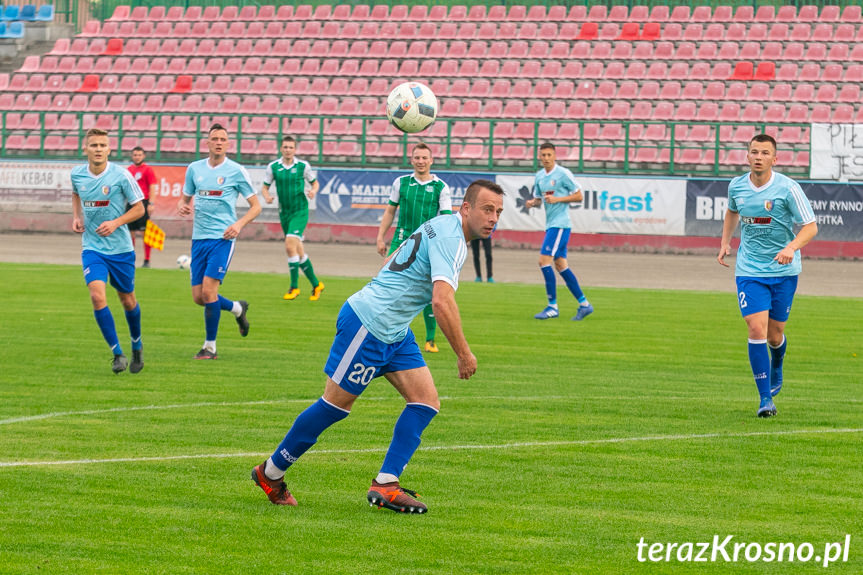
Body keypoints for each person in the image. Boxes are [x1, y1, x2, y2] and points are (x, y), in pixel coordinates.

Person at [252, 180, 504, 514]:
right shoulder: (452, 239)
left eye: (499, 212)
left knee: (426, 401)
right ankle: (270, 473)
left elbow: (396, 261)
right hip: (369, 325)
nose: (493, 218)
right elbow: (442, 302)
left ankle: (386, 484)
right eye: (488, 209)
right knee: (334, 406)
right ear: (466, 208)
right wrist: (464, 353)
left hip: (394, 330)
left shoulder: (440, 225)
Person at [717, 134, 818, 418]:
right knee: (756, 329)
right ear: (747, 156)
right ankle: (765, 400)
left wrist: (791, 247)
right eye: (754, 152)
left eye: (764, 153)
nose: (758, 156)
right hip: (750, 269)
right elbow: (731, 212)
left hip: (784, 271)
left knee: (775, 335)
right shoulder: (736, 185)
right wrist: (725, 241)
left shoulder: (788, 188)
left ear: (775, 159)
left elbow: (810, 227)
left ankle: (777, 362)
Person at [177, 123, 262, 360]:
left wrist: (238, 225)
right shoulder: (194, 169)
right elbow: (184, 198)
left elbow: (256, 207)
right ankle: (237, 308)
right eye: (214, 138)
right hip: (199, 239)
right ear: (207, 142)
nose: (218, 142)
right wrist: (182, 206)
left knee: (209, 291)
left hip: (222, 238)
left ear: (228, 143)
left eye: (222, 139)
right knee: (199, 297)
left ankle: (210, 348)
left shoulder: (236, 170)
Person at [71, 128, 146, 374]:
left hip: (121, 249)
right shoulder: (77, 174)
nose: (99, 149)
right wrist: (77, 216)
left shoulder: (121, 176)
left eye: (103, 145)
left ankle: (136, 345)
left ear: (109, 149)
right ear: (86, 149)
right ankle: (117, 354)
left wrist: (115, 223)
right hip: (93, 248)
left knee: (127, 300)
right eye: (94, 145)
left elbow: (139, 209)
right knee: (97, 296)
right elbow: (76, 193)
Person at [376, 143, 452, 353]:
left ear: (431, 160)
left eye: (424, 158)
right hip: (400, 241)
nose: (420, 161)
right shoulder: (400, 183)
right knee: (386, 285)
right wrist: (380, 237)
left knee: (427, 290)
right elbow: (390, 211)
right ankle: (386, 333)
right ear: (411, 160)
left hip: (427, 245)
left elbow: (446, 221)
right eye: (417, 158)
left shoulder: (441, 187)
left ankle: (430, 339)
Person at [525, 142, 593, 321]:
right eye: (543, 155)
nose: (546, 158)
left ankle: (552, 306)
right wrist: (534, 202)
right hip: (551, 224)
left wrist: (558, 199)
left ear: (555, 156)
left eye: (549, 155)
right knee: (561, 265)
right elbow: (540, 199)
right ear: (539, 157)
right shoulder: (539, 176)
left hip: (561, 225)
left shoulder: (563, 174)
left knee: (543, 261)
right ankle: (584, 304)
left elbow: (579, 195)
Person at [260, 136, 324, 301]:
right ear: (281, 149)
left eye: (291, 147)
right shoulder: (273, 167)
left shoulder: (303, 166)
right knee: (298, 251)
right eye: (285, 147)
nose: (288, 150)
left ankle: (294, 287)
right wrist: (266, 197)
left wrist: (313, 191)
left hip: (300, 211)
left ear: (295, 150)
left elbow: (315, 183)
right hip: (285, 213)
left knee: (289, 245)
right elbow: (265, 187)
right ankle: (316, 285)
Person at [126, 146, 158, 268]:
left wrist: (151, 203)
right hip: (130, 202)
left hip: (143, 202)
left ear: (143, 156)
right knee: (130, 232)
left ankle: (147, 260)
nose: (137, 157)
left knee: (145, 231)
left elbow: (152, 186)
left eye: (139, 155)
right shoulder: (129, 170)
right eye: (135, 155)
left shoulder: (148, 169)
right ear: (132, 156)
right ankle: (130, 259)